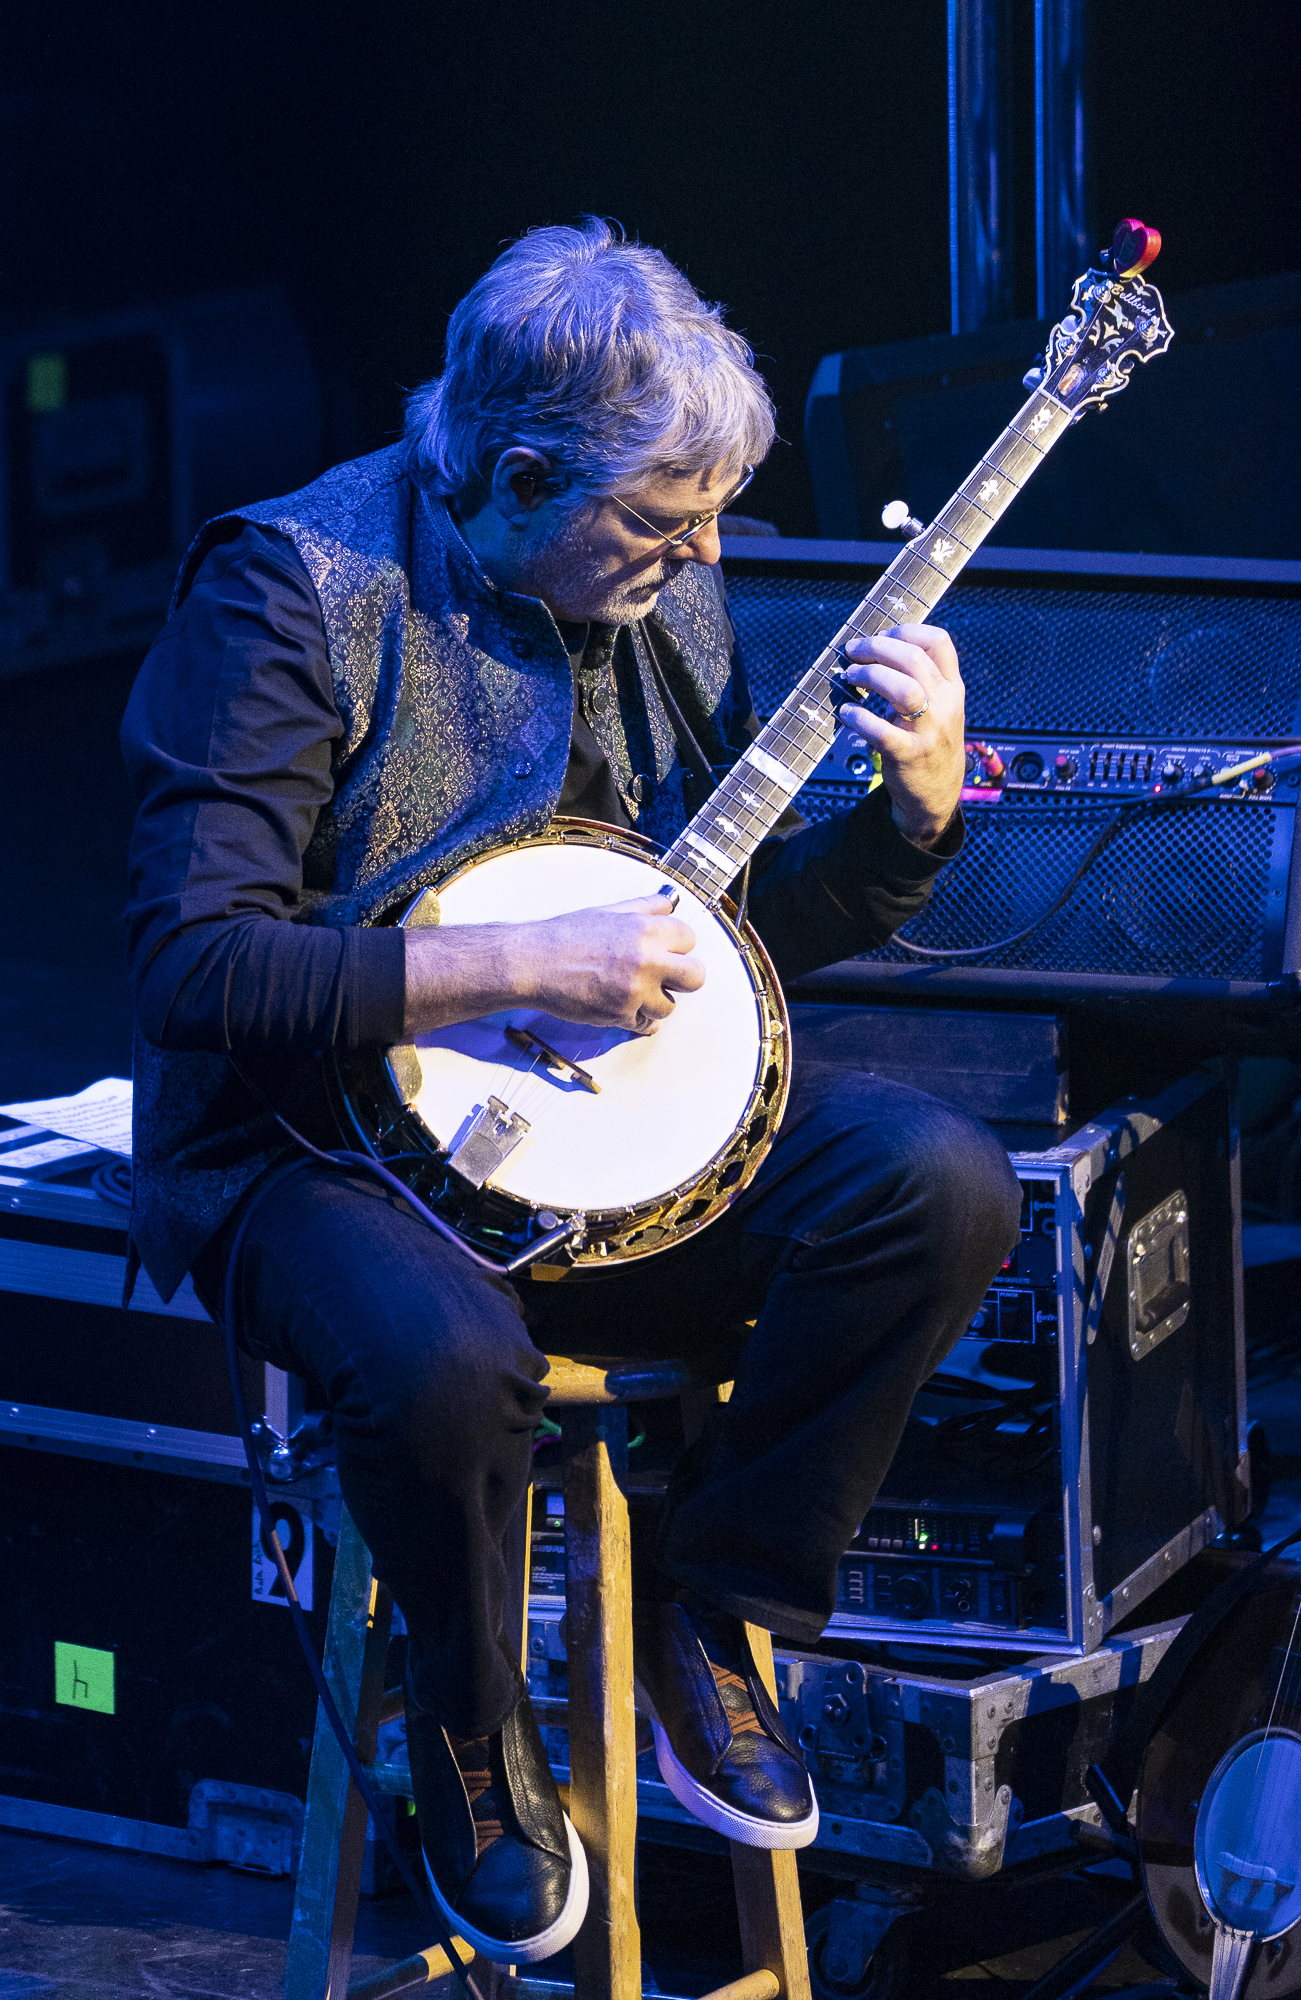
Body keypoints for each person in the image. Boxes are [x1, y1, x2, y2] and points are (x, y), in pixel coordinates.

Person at [121, 218, 1021, 1964]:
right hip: (307, 1150)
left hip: (586, 1144)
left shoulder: (654, 590)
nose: (696, 556)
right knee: (454, 1362)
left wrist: (915, 824)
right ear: (519, 467)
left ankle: (722, 1601)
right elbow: (193, 970)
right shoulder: (285, 593)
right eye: (659, 522)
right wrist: (516, 966)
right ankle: (469, 1735)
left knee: (938, 1183)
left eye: (705, 523)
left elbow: (712, 955)